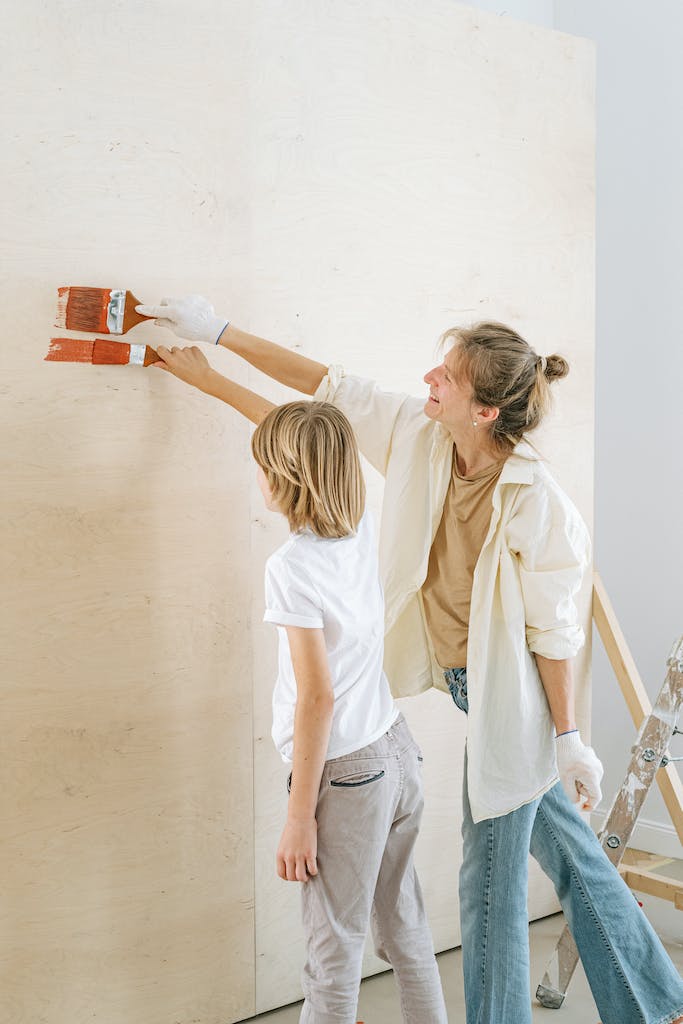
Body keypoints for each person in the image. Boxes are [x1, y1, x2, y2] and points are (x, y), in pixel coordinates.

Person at [141, 295, 683, 1024]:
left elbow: (554, 634)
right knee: (569, 854)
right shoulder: (421, 438)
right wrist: (217, 335)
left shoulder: (537, 502)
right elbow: (325, 388)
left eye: (448, 376)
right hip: (461, 681)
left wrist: (564, 735)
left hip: (511, 694)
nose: (430, 376)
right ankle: (656, 1004)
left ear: (484, 411)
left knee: (486, 875)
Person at [151, 358, 448, 1024]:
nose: (254, 473)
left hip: (342, 776)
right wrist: (207, 379)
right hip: (395, 754)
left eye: (260, 465)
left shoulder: (291, 567)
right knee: (404, 928)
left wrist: (297, 816)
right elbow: (304, 436)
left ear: (280, 478)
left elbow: (317, 699)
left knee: (331, 953)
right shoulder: (358, 529)